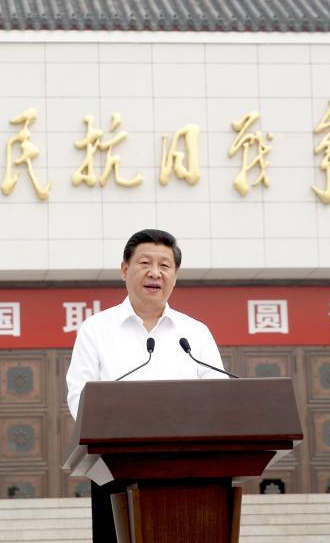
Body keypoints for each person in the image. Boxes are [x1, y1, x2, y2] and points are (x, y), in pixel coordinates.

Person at [65, 228, 226, 543]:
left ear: (175, 276)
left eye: (165, 265)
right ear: (124, 270)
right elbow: (79, 397)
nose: (155, 273)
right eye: (145, 263)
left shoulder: (195, 332)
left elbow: (219, 396)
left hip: (191, 471)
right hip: (116, 468)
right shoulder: (96, 329)